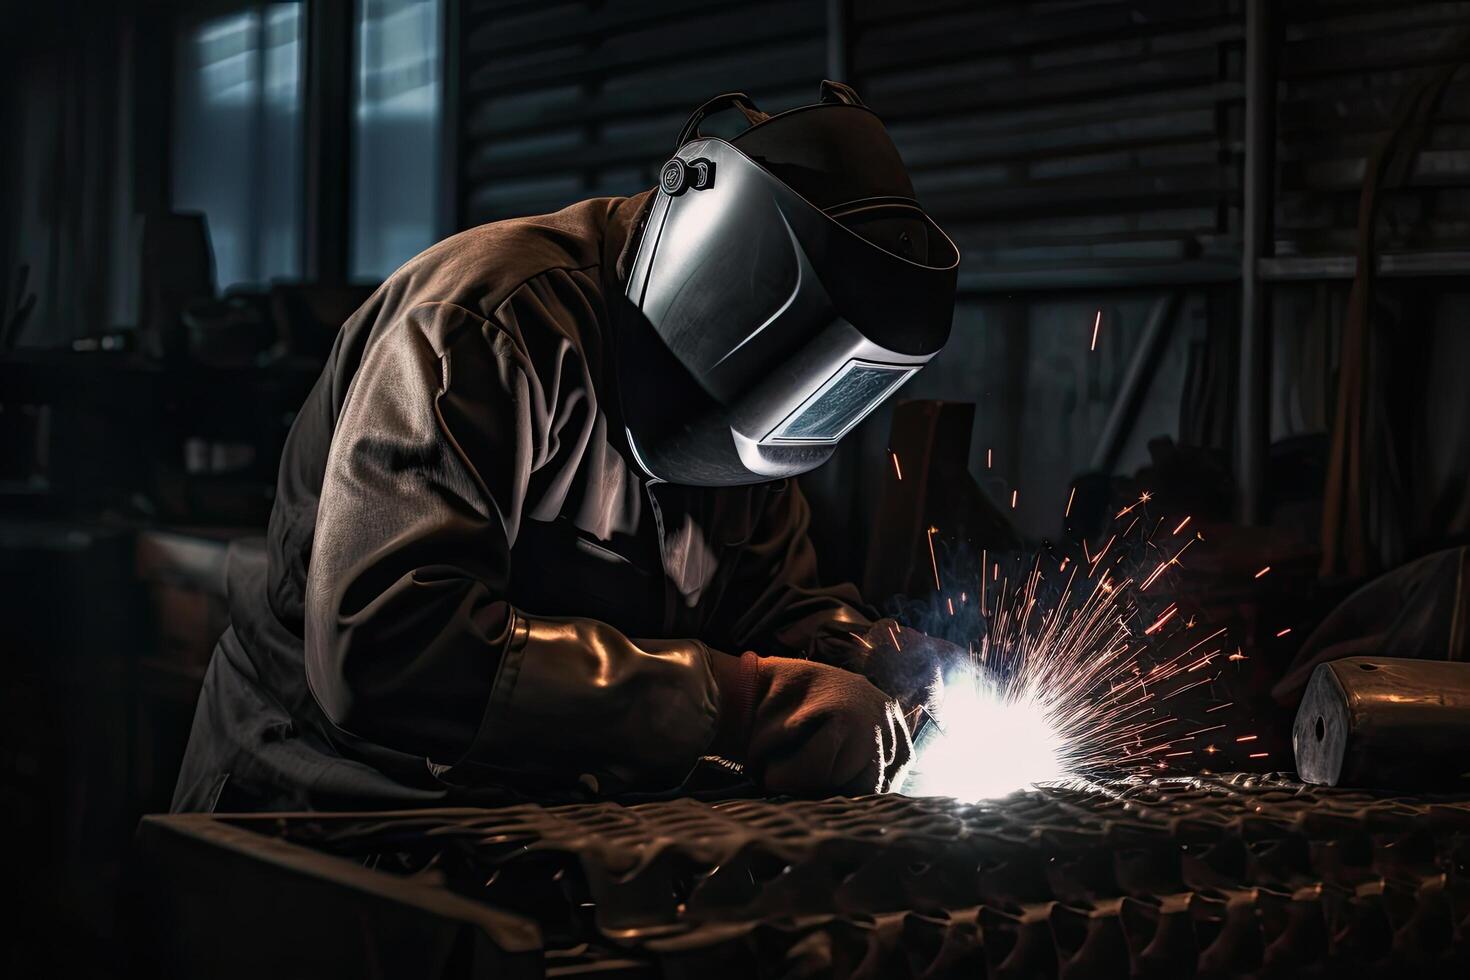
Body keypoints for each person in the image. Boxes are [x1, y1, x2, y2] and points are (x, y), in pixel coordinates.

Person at [172, 81, 962, 812]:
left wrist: (865, 654)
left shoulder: (754, 410)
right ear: (726, 278)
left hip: (530, 809)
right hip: (325, 800)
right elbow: (388, 646)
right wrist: (745, 703)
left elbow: (763, 601)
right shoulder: (481, 328)